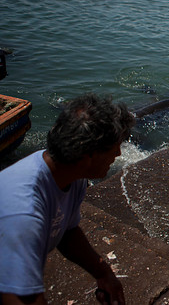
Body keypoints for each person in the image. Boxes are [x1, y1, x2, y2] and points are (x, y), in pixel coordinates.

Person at [0, 93, 135, 305]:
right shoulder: (24, 212)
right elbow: (21, 297)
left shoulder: (71, 175)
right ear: (87, 156)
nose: (118, 153)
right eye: (113, 147)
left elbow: (66, 230)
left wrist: (103, 272)